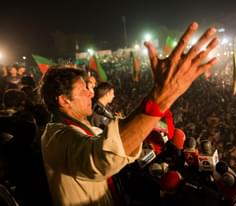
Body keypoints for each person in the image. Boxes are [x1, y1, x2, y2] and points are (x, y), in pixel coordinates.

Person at [39, 21, 218, 206]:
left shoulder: (87, 129)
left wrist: (165, 99)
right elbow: (104, 157)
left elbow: (121, 141)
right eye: (84, 89)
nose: (92, 93)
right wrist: (162, 94)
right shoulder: (58, 138)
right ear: (63, 100)